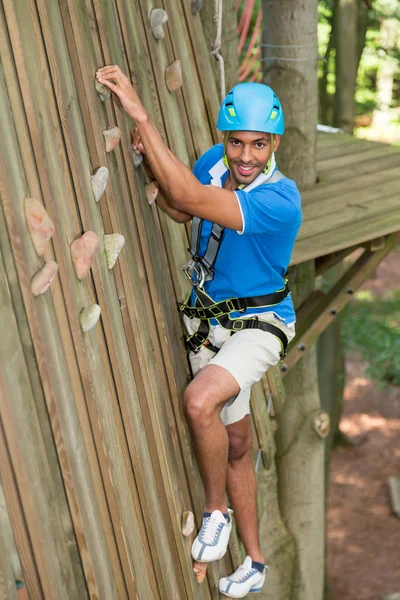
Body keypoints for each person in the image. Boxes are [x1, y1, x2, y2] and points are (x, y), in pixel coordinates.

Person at [96, 65, 302, 598]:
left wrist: (141, 115)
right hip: (211, 324)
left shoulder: (281, 201)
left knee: (198, 402)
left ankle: (217, 513)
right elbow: (177, 210)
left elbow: (187, 196)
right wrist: (152, 169)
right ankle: (254, 562)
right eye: (237, 143)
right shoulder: (214, 165)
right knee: (236, 442)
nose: (246, 157)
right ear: (224, 139)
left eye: (259, 144)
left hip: (260, 324)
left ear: (274, 142)